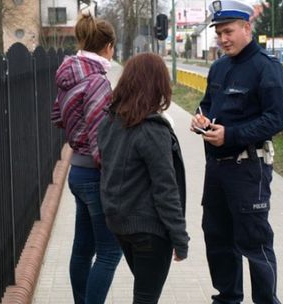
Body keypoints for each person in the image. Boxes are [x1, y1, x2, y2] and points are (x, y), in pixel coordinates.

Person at [190, 1, 283, 304]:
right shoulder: (219, 66)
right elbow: (207, 104)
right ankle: (227, 298)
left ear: (247, 28)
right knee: (217, 238)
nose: (222, 39)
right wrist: (201, 118)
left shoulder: (267, 68)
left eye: (228, 32)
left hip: (249, 168)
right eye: (218, 33)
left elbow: (275, 119)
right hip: (217, 169)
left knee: (254, 242)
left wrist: (230, 135)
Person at [98, 53, 190, 304]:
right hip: (149, 230)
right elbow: (166, 189)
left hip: (120, 224)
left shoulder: (110, 121)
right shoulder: (152, 130)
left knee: (144, 294)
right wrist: (180, 238)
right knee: (146, 299)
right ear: (157, 84)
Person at [51, 13, 121, 304]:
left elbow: (57, 116)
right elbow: (100, 139)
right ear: (108, 47)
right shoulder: (97, 82)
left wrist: (75, 128)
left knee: (83, 249)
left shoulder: (69, 76)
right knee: (109, 252)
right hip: (95, 175)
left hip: (77, 173)